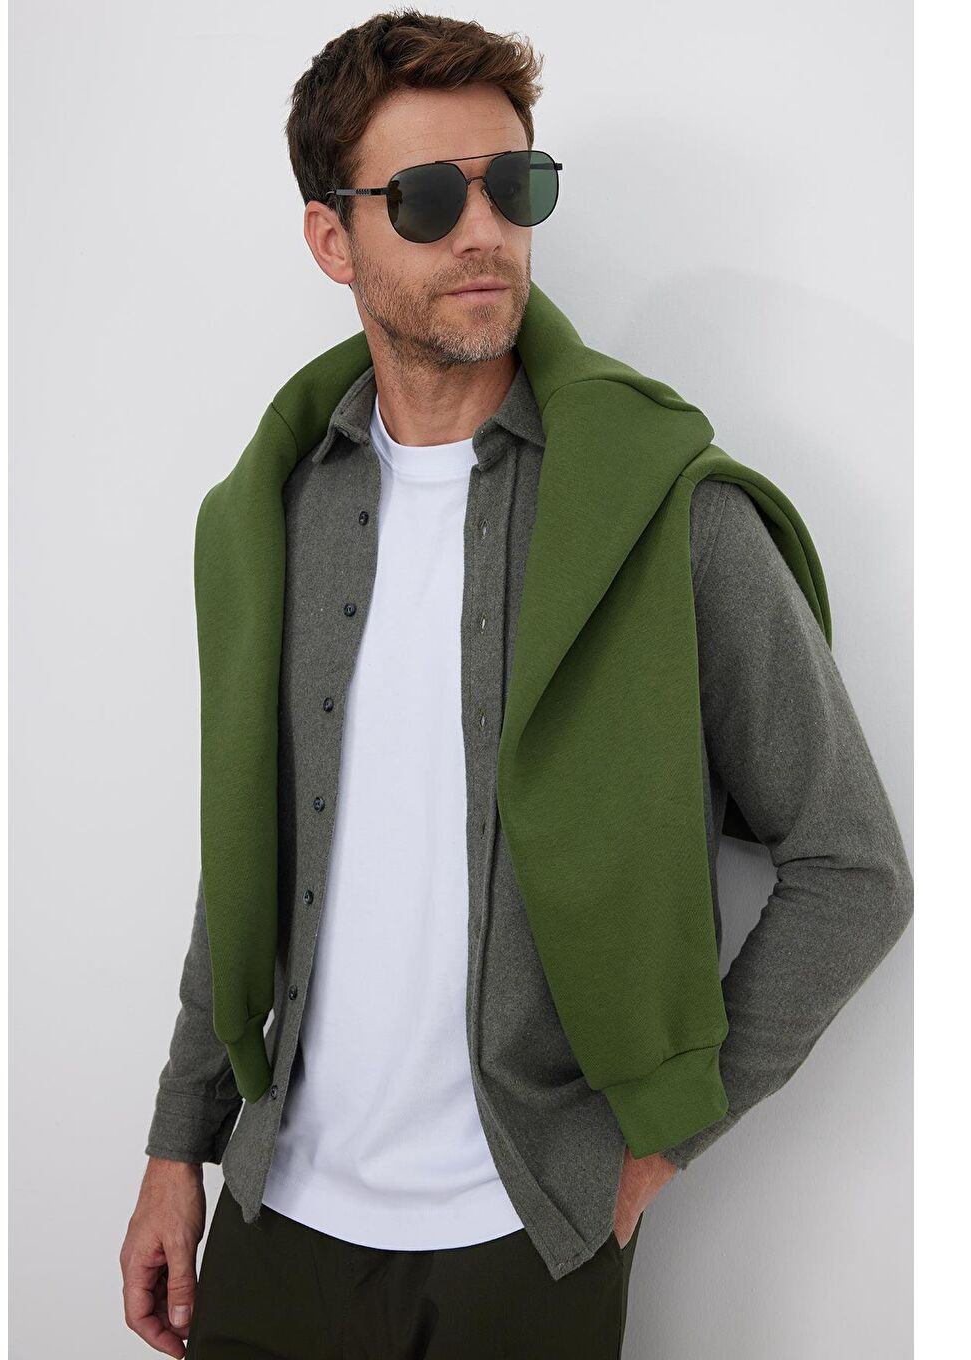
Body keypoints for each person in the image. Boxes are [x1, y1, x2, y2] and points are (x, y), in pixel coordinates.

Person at [119, 11, 914, 1358]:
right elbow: (248, 851)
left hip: (528, 1241)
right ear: (333, 240)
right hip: (275, 1220)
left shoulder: (664, 512)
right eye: (429, 200)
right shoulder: (270, 519)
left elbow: (854, 868)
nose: (484, 232)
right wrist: (174, 1141)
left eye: (514, 187)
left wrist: (658, 1137)